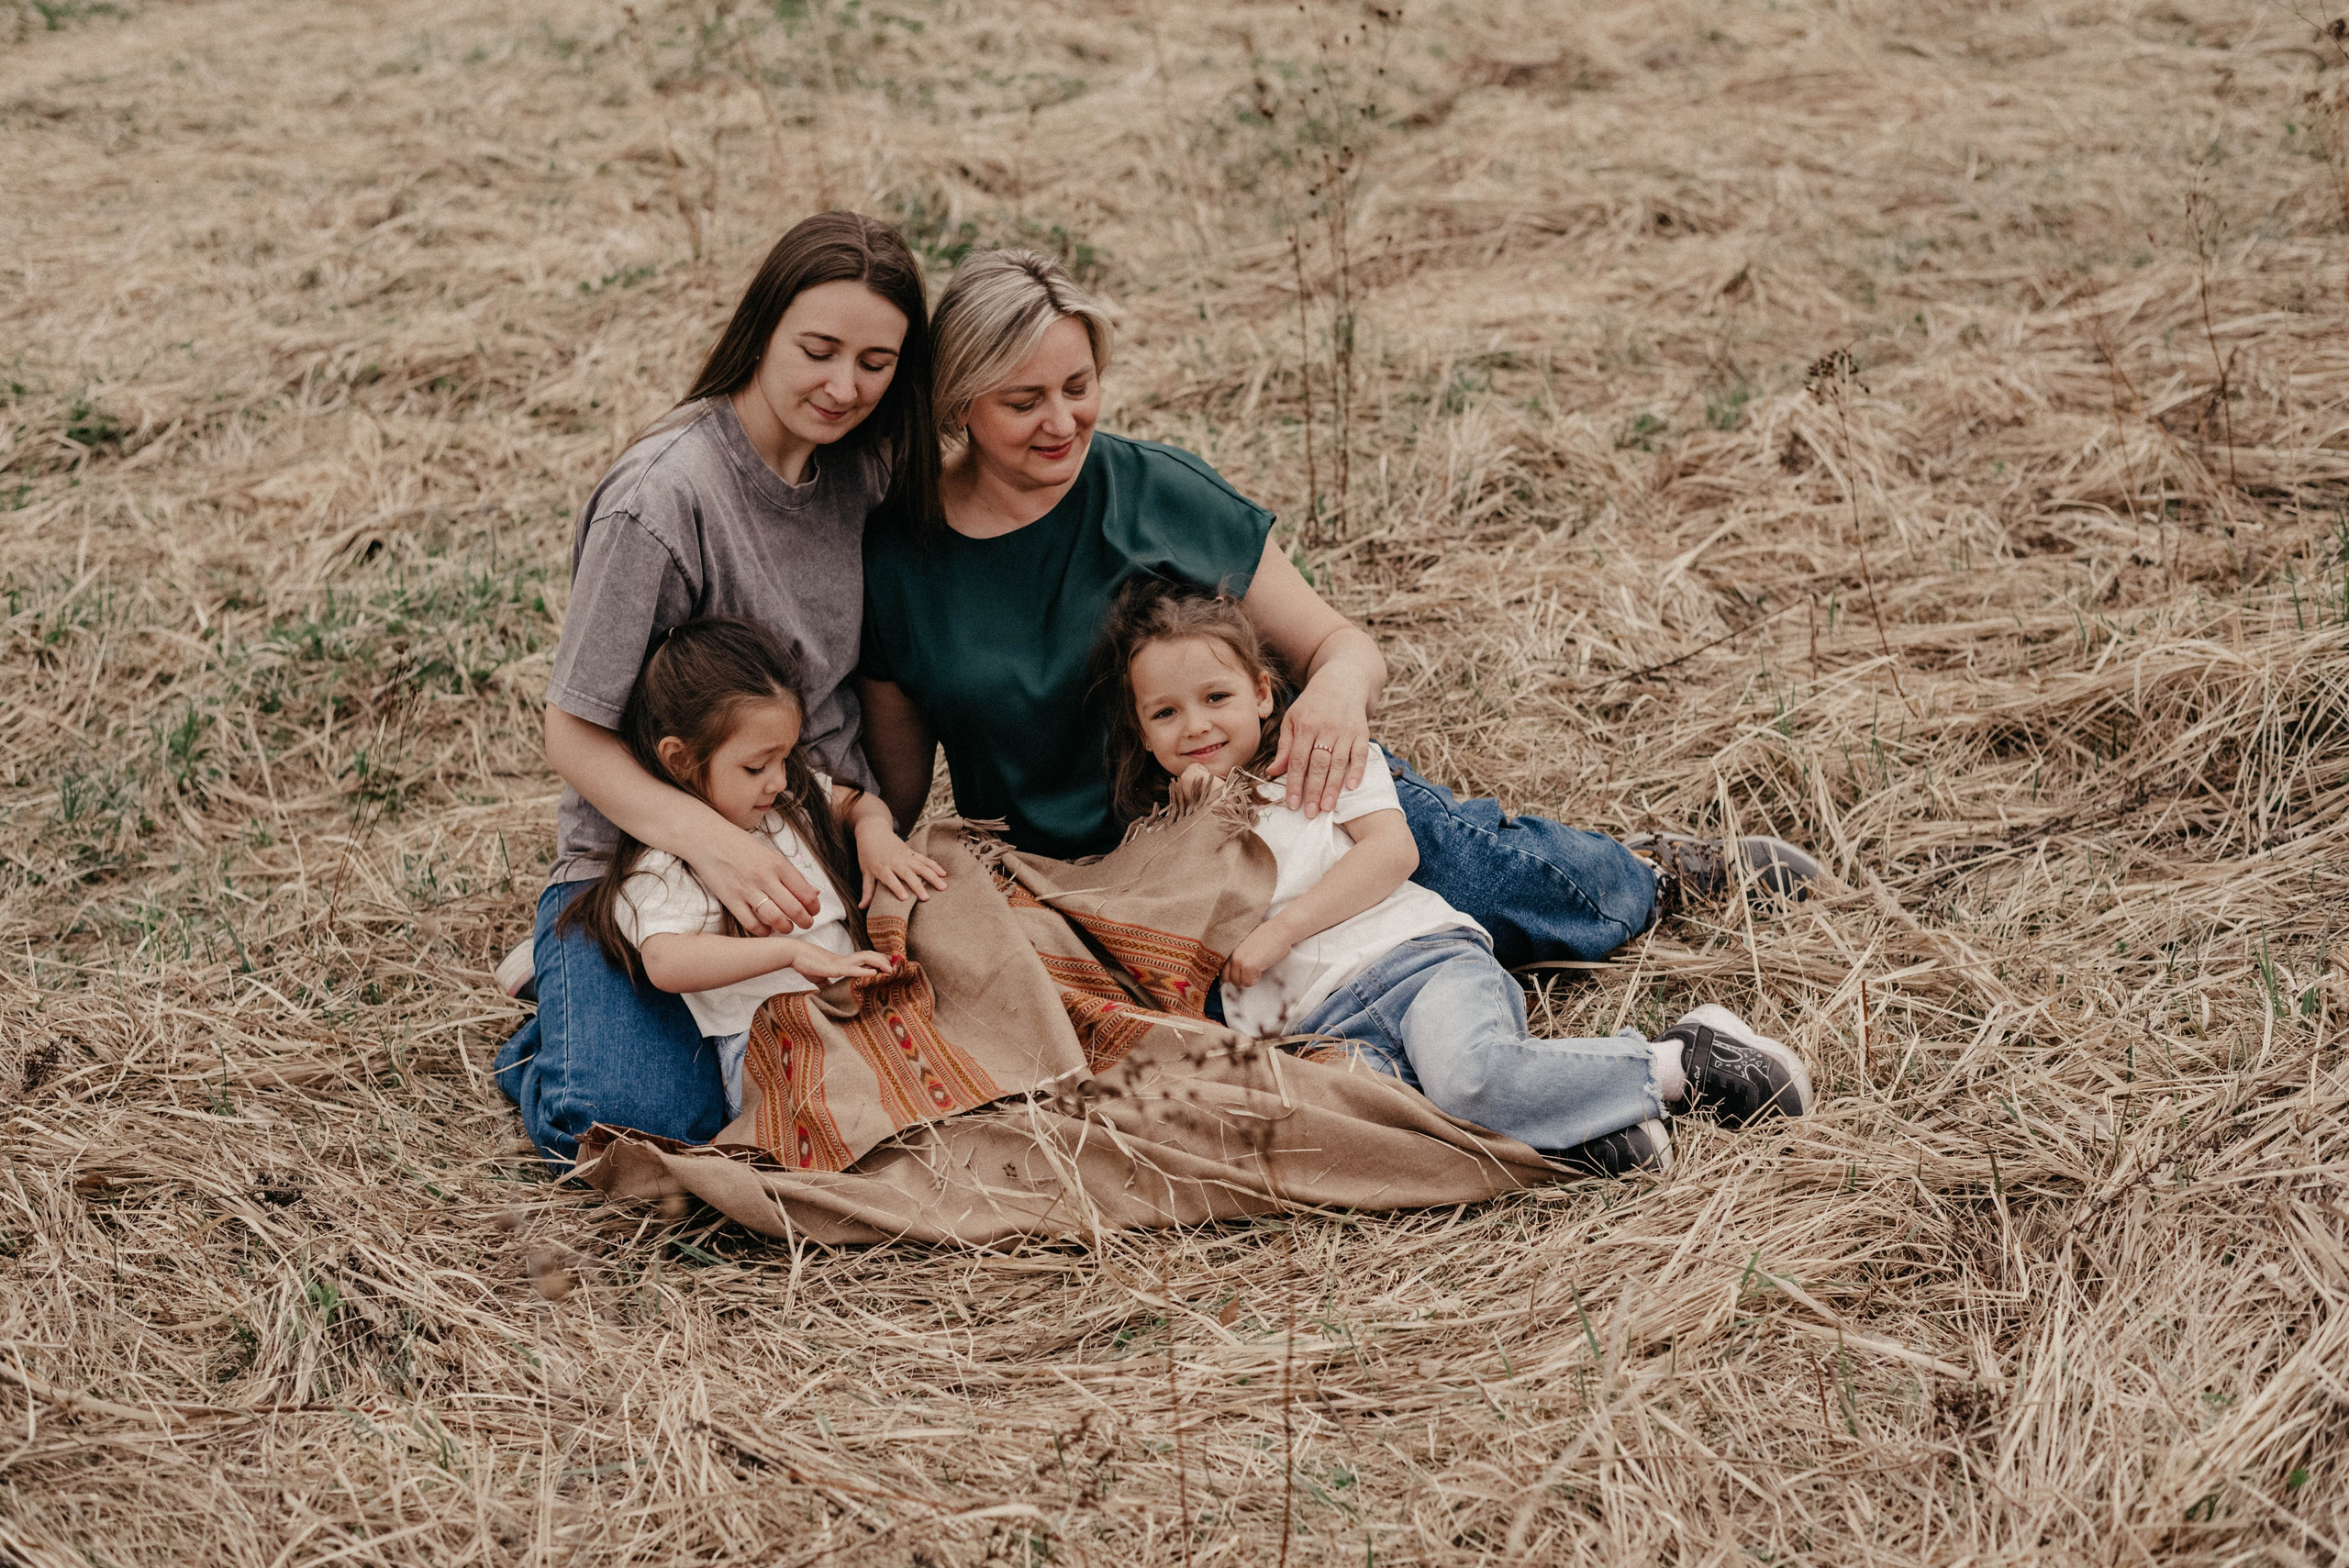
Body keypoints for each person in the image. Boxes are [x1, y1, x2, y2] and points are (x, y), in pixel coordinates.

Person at [858, 247, 1818, 974]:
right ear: (960, 402)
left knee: (1438, 857)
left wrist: (1334, 695)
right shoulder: (902, 558)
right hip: (1078, 875)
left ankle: (1641, 874)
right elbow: (893, 794)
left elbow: (1336, 642)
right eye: (1024, 400)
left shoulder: (1156, 492)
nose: (1063, 421)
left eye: (1080, 387)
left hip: (1241, 808)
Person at [1094, 578, 1814, 1173]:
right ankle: (1585, 1131)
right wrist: (1193, 837)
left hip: (1419, 964)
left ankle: (1686, 1059)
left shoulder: (1315, 764)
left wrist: (1280, 931)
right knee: (1370, 1131)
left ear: (1259, 692)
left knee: (1469, 1075)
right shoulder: (1164, 837)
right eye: (1165, 712)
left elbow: (1392, 853)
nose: (1194, 726)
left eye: (1215, 698)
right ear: (1142, 727)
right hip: (1325, 1032)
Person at [494, 211, 941, 1164]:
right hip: (651, 864)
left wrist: (870, 826)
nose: (843, 386)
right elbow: (571, 733)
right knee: (642, 1131)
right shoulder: (661, 499)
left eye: (875, 362)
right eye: (817, 350)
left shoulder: (866, 472)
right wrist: (715, 847)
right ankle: (563, 1003)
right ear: (762, 327)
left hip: (815, 839)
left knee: (893, 1083)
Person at [552, 618, 945, 1120]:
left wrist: (874, 833)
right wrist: (789, 955)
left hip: (847, 1009)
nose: (779, 781)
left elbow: (856, 804)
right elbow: (667, 962)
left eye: (786, 757)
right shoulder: (666, 863)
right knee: (852, 1109)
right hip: (767, 1042)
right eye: (756, 767)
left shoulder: (788, 806)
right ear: (680, 760)